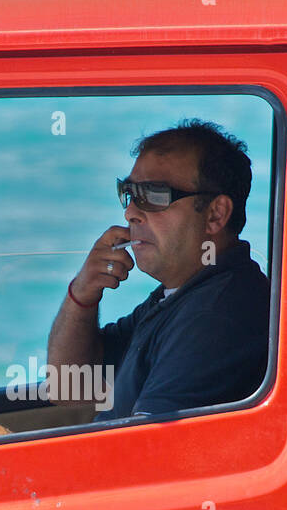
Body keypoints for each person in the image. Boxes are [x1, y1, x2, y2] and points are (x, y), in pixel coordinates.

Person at [44, 118, 269, 420]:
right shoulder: (180, 296)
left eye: (153, 195)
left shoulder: (215, 317)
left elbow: (145, 453)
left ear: (215, 215)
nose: (130, 212)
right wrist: (82, 294)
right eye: (130, 192)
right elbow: (68, 388)